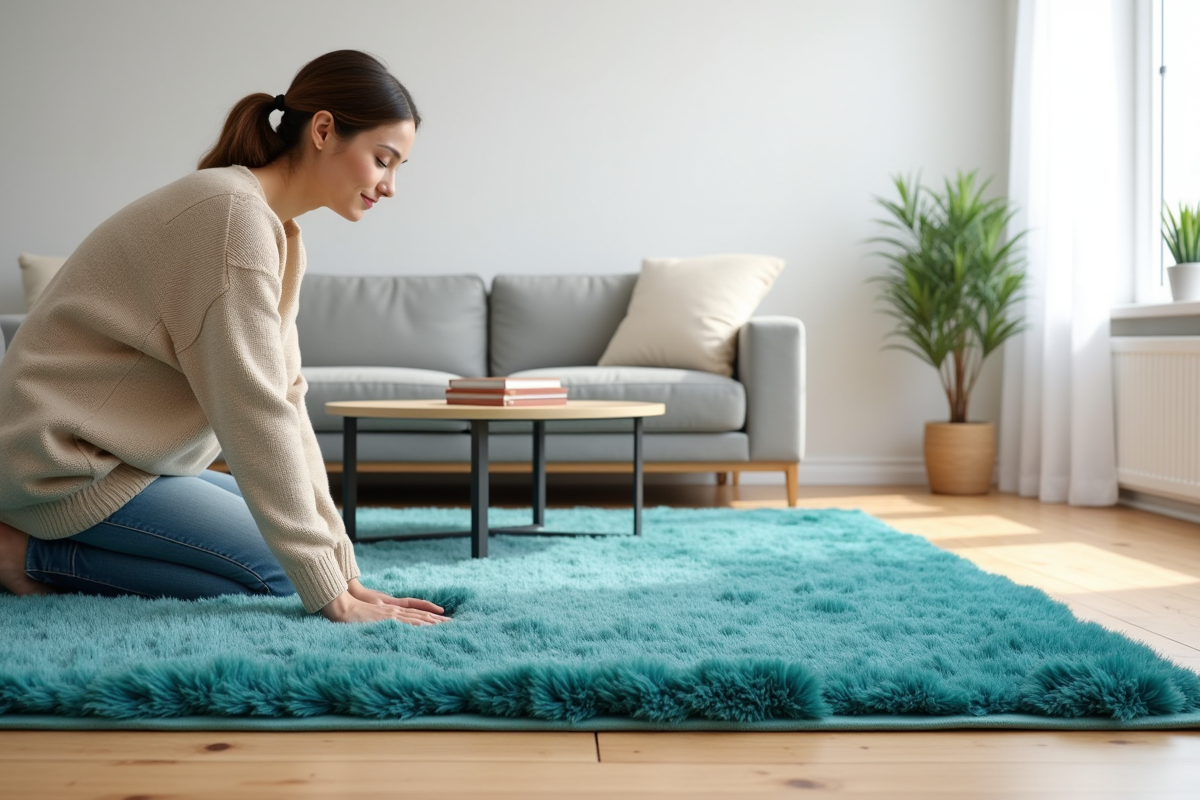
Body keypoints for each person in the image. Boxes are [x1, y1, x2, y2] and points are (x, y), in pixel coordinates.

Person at [0, 50, 450, 626]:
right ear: (323, 129)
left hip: (134, 460)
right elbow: (253, 410)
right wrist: (326, 591)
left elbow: (286, 400)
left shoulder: (277, 231)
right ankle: (31, 551)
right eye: (383, 160)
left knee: (307, 558)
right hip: (64, 463)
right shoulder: (232, 219)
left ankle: (46, 544)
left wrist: (347, 575)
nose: (390, 187)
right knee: (285, 578)